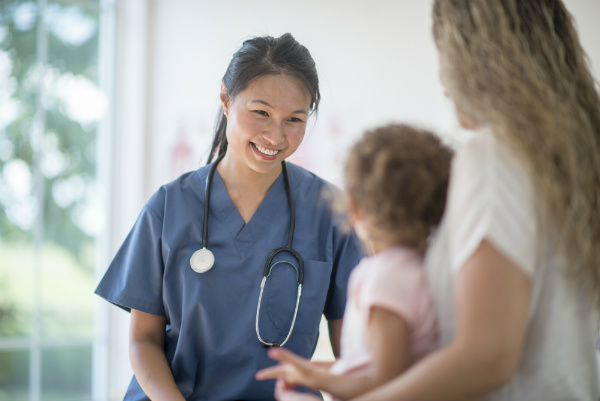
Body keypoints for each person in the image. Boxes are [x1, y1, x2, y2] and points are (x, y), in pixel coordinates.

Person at [347, 1, 600, 400]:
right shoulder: (571, 160)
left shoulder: (494, 155)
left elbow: (487, 357)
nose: (443, 82)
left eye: (444, 55)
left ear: (476, 56)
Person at [94, 33, 362, 401]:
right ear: (225, 99)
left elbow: (355, 354)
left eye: (294, 119)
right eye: (261, 113)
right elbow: (143, 340)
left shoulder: (331, 212)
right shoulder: (170, 206)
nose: (276, 135)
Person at [256, 124, 453, 400]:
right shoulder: (429, 268)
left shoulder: (385, 279)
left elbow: (384, 384)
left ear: (354, 206)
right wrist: (313, 373)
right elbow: (374, 366)